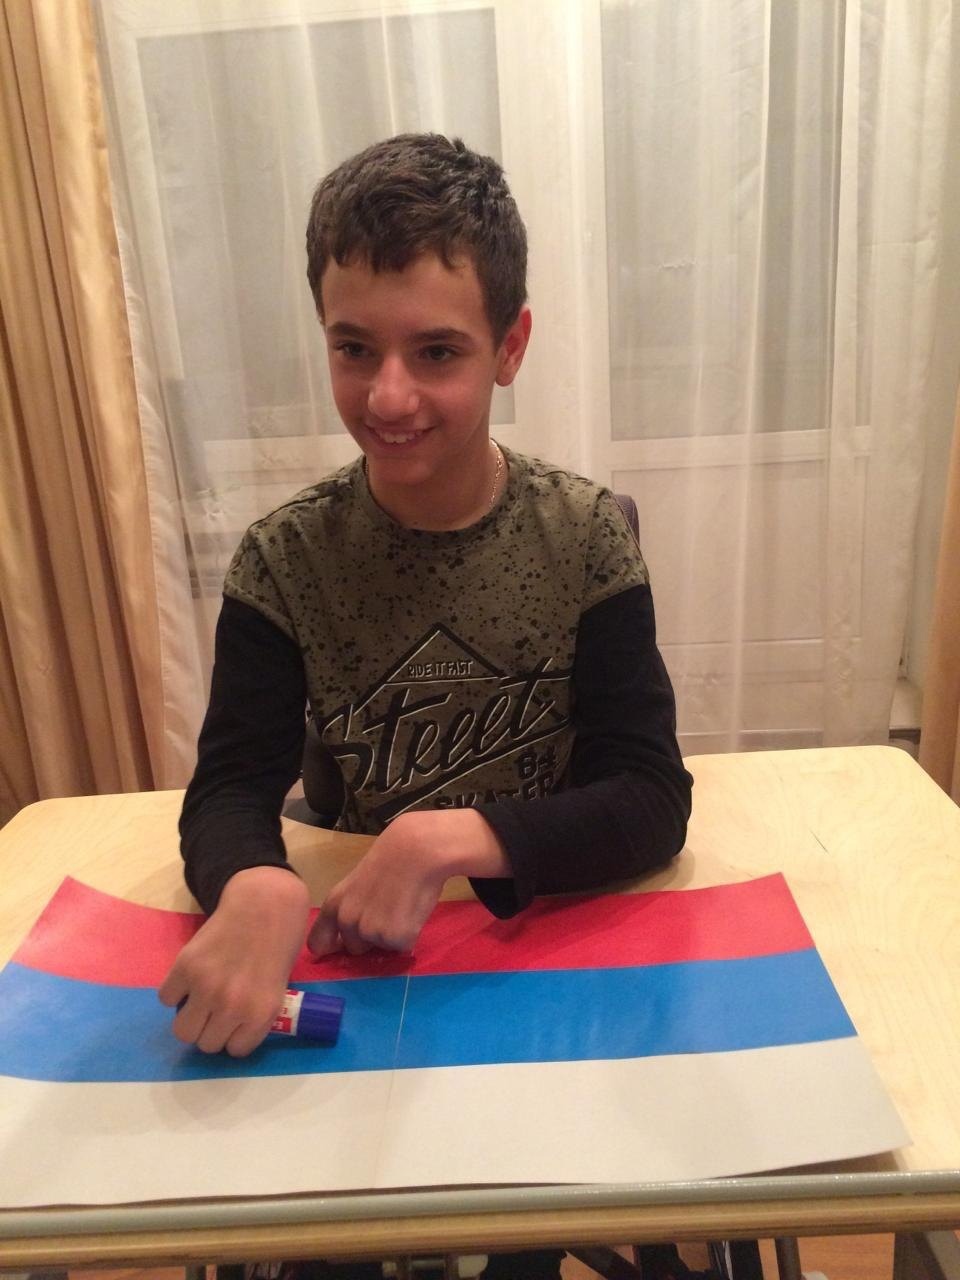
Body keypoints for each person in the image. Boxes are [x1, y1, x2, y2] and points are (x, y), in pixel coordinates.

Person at [160, 133, 693, 1278]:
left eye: (437, 351)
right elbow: (231, 786)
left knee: (523, 1235)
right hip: (364, 983)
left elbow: (651, 795)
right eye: (354, 348)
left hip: (539, 963)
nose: (388, 395)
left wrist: (449, 836)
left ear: (511, 347)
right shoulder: (283, 559)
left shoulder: (586, 540)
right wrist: (253, 878)